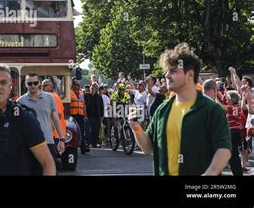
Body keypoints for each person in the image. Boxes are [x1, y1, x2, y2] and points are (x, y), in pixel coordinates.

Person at [128, 43, 231, 175]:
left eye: (173, 71)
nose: (166, 75)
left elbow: (224, 148)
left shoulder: (212, 110)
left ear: (189, 75)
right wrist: (136, 127)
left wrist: (210, 173)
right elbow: (148, 148)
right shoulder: (162, 110)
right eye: (167, 71)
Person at [17, 74, 66, 169]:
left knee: (50, 171)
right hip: (29, 144)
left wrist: (62, 139)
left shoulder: (49, 98)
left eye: (35, 83)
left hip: (48, 141)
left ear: (39, 83)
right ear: (26, 85)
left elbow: (56, 119)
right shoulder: (20, 101)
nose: (33, 86)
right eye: (30, 83)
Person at [217, 91, 243, 176]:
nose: (227, 100)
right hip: (233, 133)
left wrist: (214, 99)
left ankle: (238, 173)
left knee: (233, 155)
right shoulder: (234, 107)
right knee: (232, 155)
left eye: (228, 98)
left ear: (232, 99)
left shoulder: (234, 107)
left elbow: (221, 107)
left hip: (233, 133)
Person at [42, 79, 66, 145]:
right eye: (42, 86)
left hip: (55, 134)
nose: (42, 88)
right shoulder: (51, 96)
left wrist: (49, 129)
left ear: (51, 86)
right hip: (53, 134)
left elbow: (58, 115)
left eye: (44, 86)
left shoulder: (54, 97)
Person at [69, 79, 89, 154]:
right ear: (73, 85)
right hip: (72, 115)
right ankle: (72, 147)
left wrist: (85, 115)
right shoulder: (69, 93)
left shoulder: (81, 93)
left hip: (80, 115)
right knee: (73, 131)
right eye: (77, 85)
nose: (78, 86)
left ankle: (83, 148)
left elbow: (83, 104)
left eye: (79, 85)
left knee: (81, 131)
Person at [84, 83, 104, 148]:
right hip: (88, 116)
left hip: (96, 117)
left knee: (95, 131)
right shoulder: (85, 95)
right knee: (88, 131)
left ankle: (94, 144)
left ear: (97, 89)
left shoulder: (99, 97)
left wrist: (101, 116)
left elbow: (101, 107)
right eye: (92, 87)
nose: (93, 89)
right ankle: (88, 143)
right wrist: (84, 115)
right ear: (90, 88)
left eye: (95, 88)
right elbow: (82, 105)